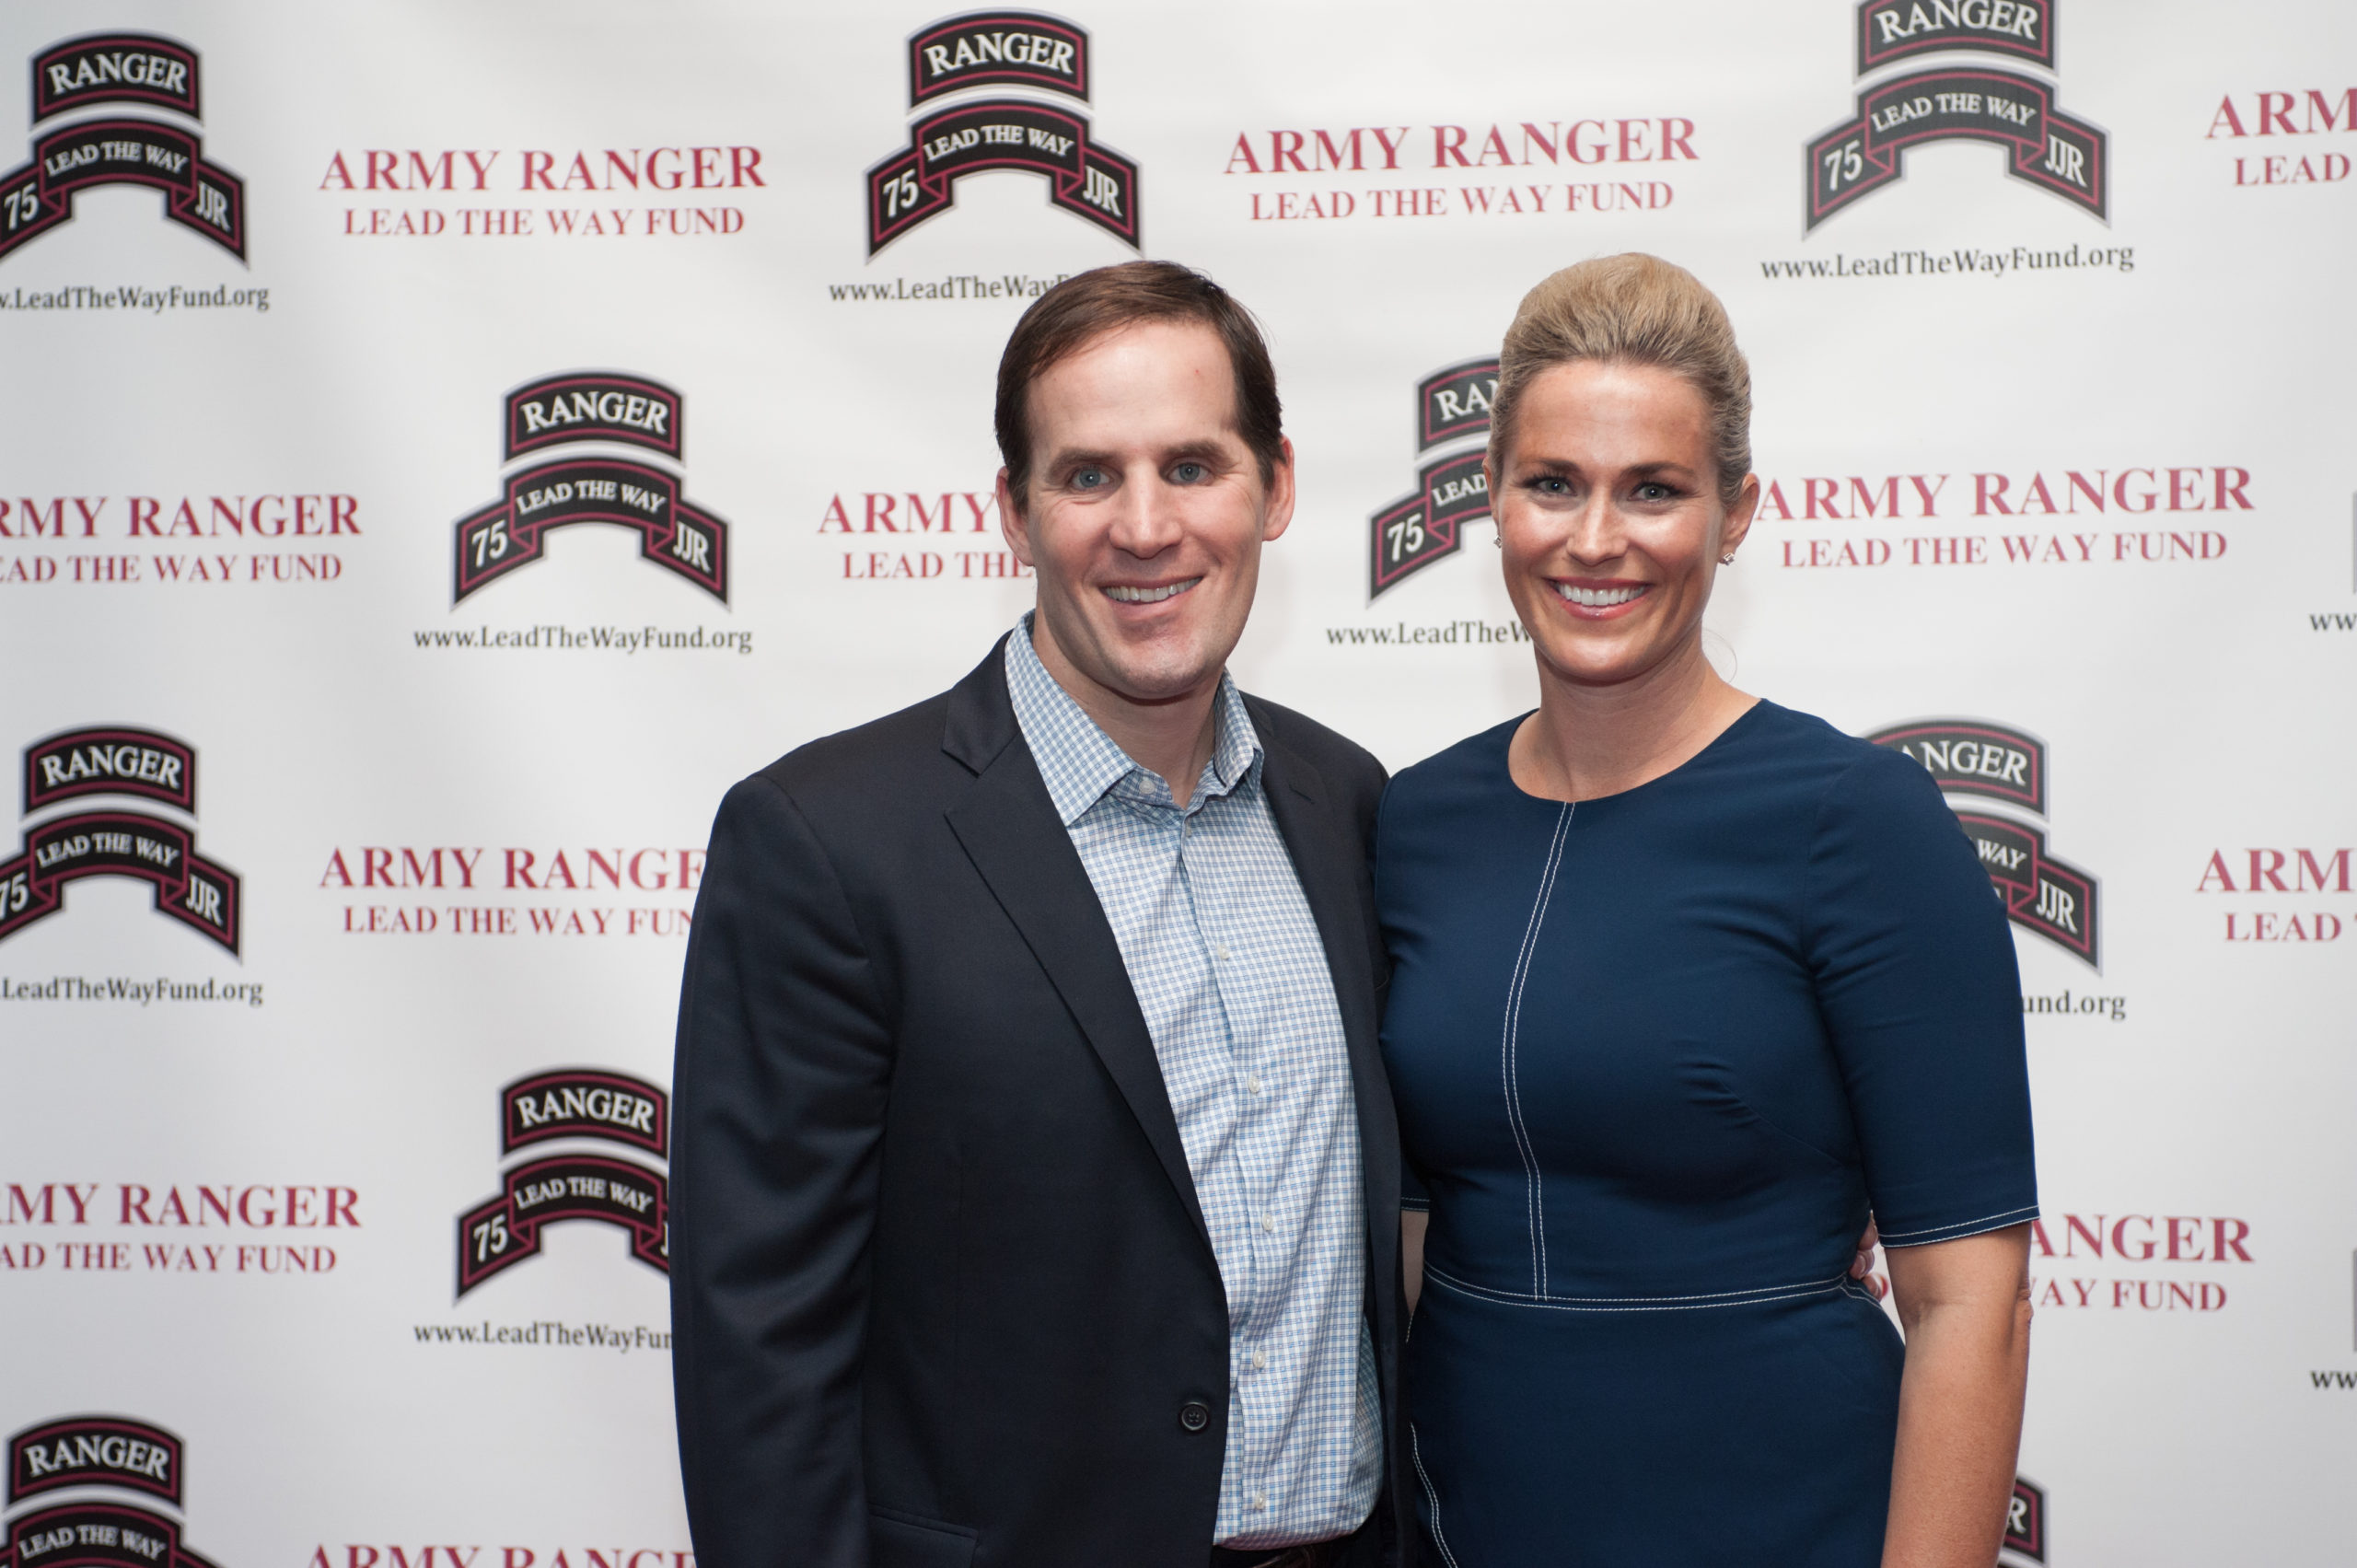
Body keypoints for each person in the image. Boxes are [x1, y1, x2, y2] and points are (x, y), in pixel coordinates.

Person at [668, 261, 1411, 1568]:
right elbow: (760, 1357)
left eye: (1193, 466)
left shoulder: (1346, 802)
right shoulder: (828, 844)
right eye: (1087, 476)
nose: (1145, 526)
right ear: (1014, 511)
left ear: (1276, 486)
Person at [1377, 254, 2038, 1567]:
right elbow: (1396, 1237)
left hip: (1790, 1520)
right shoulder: (1411, 821)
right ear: (1490, 496)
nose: (1596, 539)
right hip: (1469, 1528)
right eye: (1552, 483)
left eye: (1655, 489)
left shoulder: (1858, 820)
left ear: (1736, 513)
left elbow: (1973, 1304)